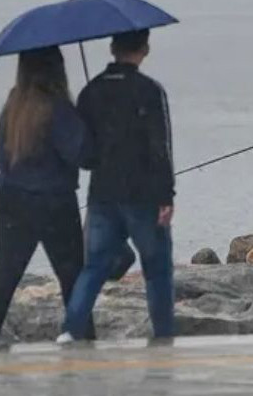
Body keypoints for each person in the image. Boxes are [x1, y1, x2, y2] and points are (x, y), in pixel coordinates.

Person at [60, 29, 176, 343]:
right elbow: (160, 147)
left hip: (102, 194)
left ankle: (70, 330)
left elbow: (84, 155)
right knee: (157, 270)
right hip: (145, 196)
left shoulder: (90, 92)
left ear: (112, 48)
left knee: (94, 267)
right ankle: (163, 335)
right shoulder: (150, 91)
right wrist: (167, 196)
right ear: (145, 49)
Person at [0, 47, 95, 345]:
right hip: (54, 202)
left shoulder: (14, 104)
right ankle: (84, 338)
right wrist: (90, 127)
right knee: (72, 275)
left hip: (10, 197)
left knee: (6, 273)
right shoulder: (58, 108)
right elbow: (83, 155)